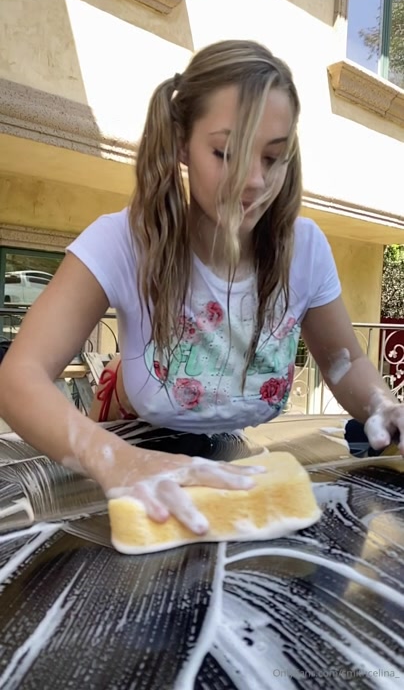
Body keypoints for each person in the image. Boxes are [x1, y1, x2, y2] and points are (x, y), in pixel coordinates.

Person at [0, 40, 403, 536]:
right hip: (132, 445)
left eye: (273, 157)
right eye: (226, 153)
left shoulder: (307, 250)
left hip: (236, 452)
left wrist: (382, 406)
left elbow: (348, 363)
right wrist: (116, 460)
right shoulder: (122, 242)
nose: (254, 181)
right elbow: (18, 378)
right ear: (180, 142)